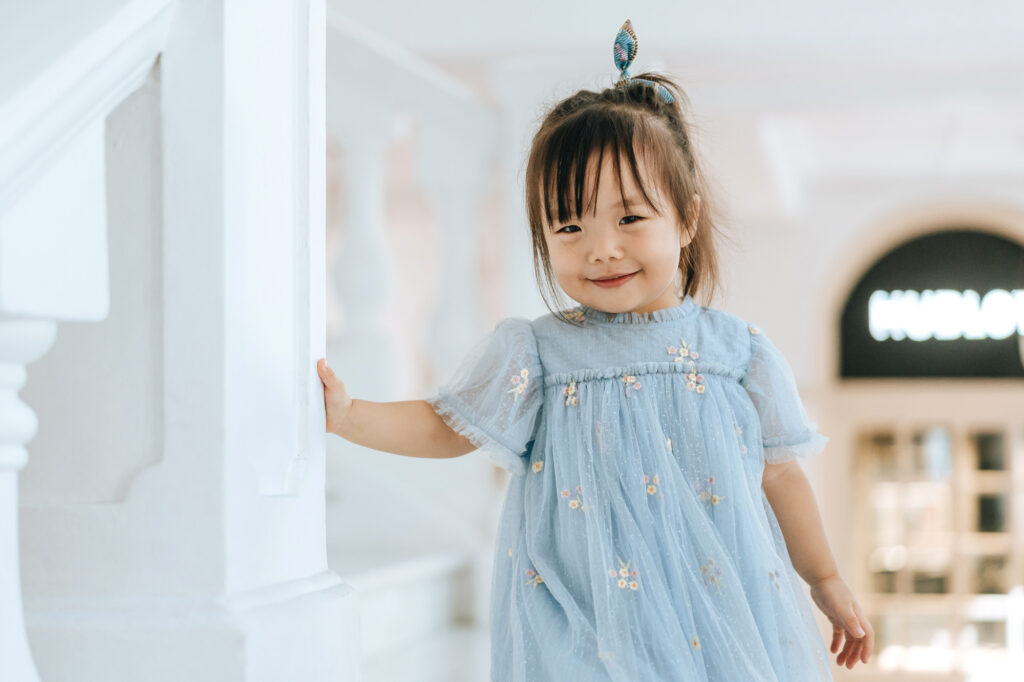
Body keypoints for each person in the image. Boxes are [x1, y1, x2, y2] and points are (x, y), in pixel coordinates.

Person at [317, 19, 873, 681]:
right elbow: (448, 424)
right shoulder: (540, 353)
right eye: (569, 224)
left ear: (687, 220)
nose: (601, 247)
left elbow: (781, 475)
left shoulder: (739, 355)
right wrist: (351, 416)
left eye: (630, 218)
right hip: (584, 616)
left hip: (715, 610)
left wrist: (826, 577)